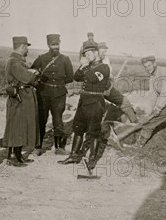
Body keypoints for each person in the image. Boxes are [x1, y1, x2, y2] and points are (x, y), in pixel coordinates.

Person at [59, 40, 110, 169]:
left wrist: (86, 66)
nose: (87, 56)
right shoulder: (89, 66)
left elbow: (93, 78)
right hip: (84, 101)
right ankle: (73, 156)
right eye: (85, 54)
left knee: (93, 132)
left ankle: (92, 159)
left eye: (88, 54)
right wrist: (82, 67)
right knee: (78, 129)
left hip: (95, 102)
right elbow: (76, 77)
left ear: (96, 52)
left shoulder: (104, 67)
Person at [130, 56, 166, 165]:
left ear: (154, 64)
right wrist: (150, 113)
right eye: (145, 66)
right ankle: (139, 145)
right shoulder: (152, 78)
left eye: (149, 65)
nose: (147, 68)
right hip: (164, 104)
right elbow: (153, 96)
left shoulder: (165, 72)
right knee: (150, 122)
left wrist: (158, 108)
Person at [31, 34, 74, 155]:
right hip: (43, 94)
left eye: (57, 44)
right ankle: (38, 147)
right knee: (41, 119)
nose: (56, 47)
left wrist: (59, 83)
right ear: (48, 45)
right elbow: (32, 72)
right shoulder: (41, 58)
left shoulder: (65, 59)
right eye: (53, 44)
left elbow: (70, 77)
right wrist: (41, 81)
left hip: (59, 94)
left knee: (58, 120)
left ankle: (58, 147)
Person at [2, 36, 40, 167]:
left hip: (23, 97)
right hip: (19, 98)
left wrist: (31, 73)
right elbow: (28, 78)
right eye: (26, 47)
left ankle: (17, 155)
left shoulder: (17, 62)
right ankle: (12, 157)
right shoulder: (14, 62)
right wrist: (34, 73)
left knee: (21, 126)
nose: (27, 50)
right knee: (16, 126)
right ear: (22, 46)